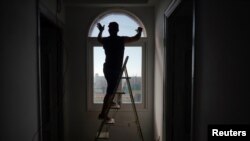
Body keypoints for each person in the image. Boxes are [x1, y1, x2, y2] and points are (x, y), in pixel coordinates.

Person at [97, 22, 143, 121]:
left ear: (109, 30)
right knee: (110, 91)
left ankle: (110, 102)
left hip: (107, 68)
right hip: (113, 70)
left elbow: (99, 39)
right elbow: (135, 38)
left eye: (109, 29)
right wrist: (139, 31)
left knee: (111, 89)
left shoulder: (106, 40)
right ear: (117, 30)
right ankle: (102, 114)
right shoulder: (120, 39)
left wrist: (100, 31)